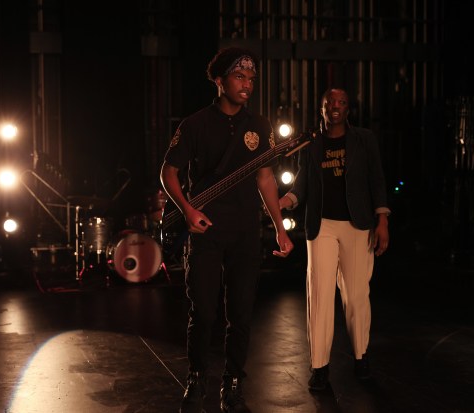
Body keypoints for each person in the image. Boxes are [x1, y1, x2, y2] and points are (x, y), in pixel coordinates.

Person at [160, 47, 293, 413]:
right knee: (202, 311)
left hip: (246, 231)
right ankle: (197, 376)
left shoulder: (259, 126)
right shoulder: (195, 124)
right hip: (204, 230)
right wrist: (187, 210)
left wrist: (279, 228)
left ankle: (233, 383)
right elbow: (168, 172)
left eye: (251, 79)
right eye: (239, 77)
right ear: (219, 81)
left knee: (241, 314)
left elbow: (265, 178)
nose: (247, 84)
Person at [279, 87, 390, 391]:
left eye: (341, 102)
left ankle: (361, 357)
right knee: (320, 296)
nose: (335, 107)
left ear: (348, 109)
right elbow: (301, 183)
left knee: (356, 297)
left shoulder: (364, 139)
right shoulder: (312, 143)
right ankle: (319, 368)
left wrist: (382, 219)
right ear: (322, 109)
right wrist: (282, 202)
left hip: (358, 225)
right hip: (322, 225)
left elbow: (376, 179)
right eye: (330, 103)